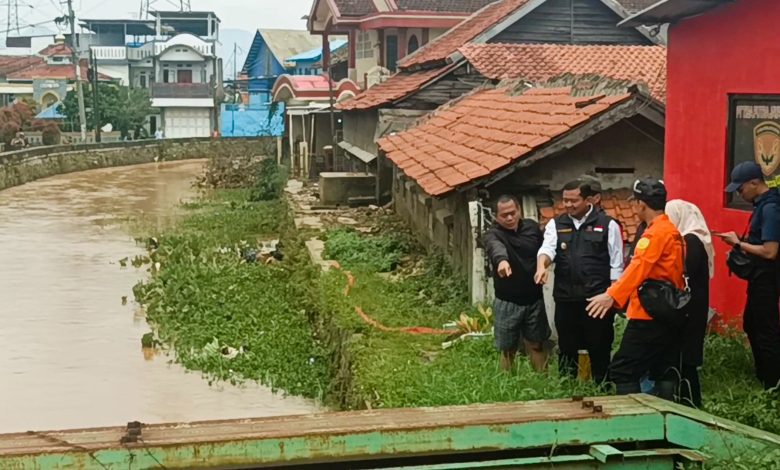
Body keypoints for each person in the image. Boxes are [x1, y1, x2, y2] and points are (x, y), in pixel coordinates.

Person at [587, 178, 685, 399]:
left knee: (623, 369)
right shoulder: (672, 231)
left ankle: (633, 424)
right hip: (669, 311)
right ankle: (666, 419)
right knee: (663, 368)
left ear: (641, 204)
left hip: (648, 314)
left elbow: (638, 267)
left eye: (635, 203)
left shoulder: (654, 235)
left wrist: (612, 295)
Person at [535, 180, 624, 383]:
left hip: (597, 301)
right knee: (566, 350)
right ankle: (567, 392)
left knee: (599, 349)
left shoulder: (608, 225)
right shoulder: (556, 224)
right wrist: (542, 266)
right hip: (566, 300)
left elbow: (617, 266)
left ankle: (602, 391)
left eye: (573, 200)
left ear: (587, 200)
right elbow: (547, 250)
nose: (568, 205)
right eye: (565, 200)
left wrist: (612, 298)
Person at [716, 161, 780, 390]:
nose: (740, 194)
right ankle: (764, 374)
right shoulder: (761, 204)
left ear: (755, 182)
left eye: (741, 189)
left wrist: (738, 244)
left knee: (766, 329)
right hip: (759, 278)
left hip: (767, 278)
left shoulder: (771, 207)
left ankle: (771, 382)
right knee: (752, 324)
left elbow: (770, 251)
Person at [484, 195, 550, 372]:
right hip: (508, 301)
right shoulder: (493, 235)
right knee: (507, 349)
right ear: (496, 216)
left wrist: (545, 266)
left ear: (519, 210)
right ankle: (507, 386)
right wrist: (502, 262)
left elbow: (547, 250)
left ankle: (542, 382)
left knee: (536, 344)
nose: (509, 218)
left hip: (534, 299)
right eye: (504, 215)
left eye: (513, 213)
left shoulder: (532, 228)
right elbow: (495, 248)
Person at [666, 199, 714, 407]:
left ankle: (690, 404)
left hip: (688, 309)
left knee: (685, 361)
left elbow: (680, 272)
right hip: (693, 306)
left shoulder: (690, 241)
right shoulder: (697, 238)